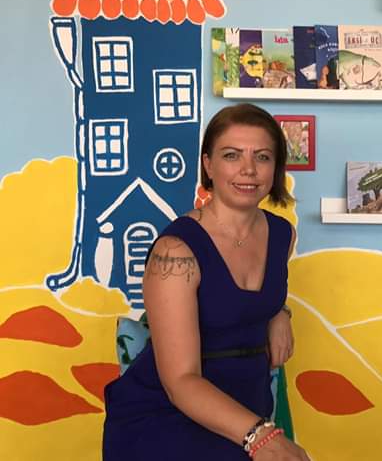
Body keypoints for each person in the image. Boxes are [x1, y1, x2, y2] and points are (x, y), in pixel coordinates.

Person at [103, 103, 310, 461]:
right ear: (209, 165)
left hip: (248, 405)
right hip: (168, 416)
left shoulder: (282, 234)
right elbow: (180, 381)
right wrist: (260, 437)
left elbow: (255, 300)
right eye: (232, 155)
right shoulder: (175, 251)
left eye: (262, 157)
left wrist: (280, 313)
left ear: (275, 168)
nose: (248, 169)